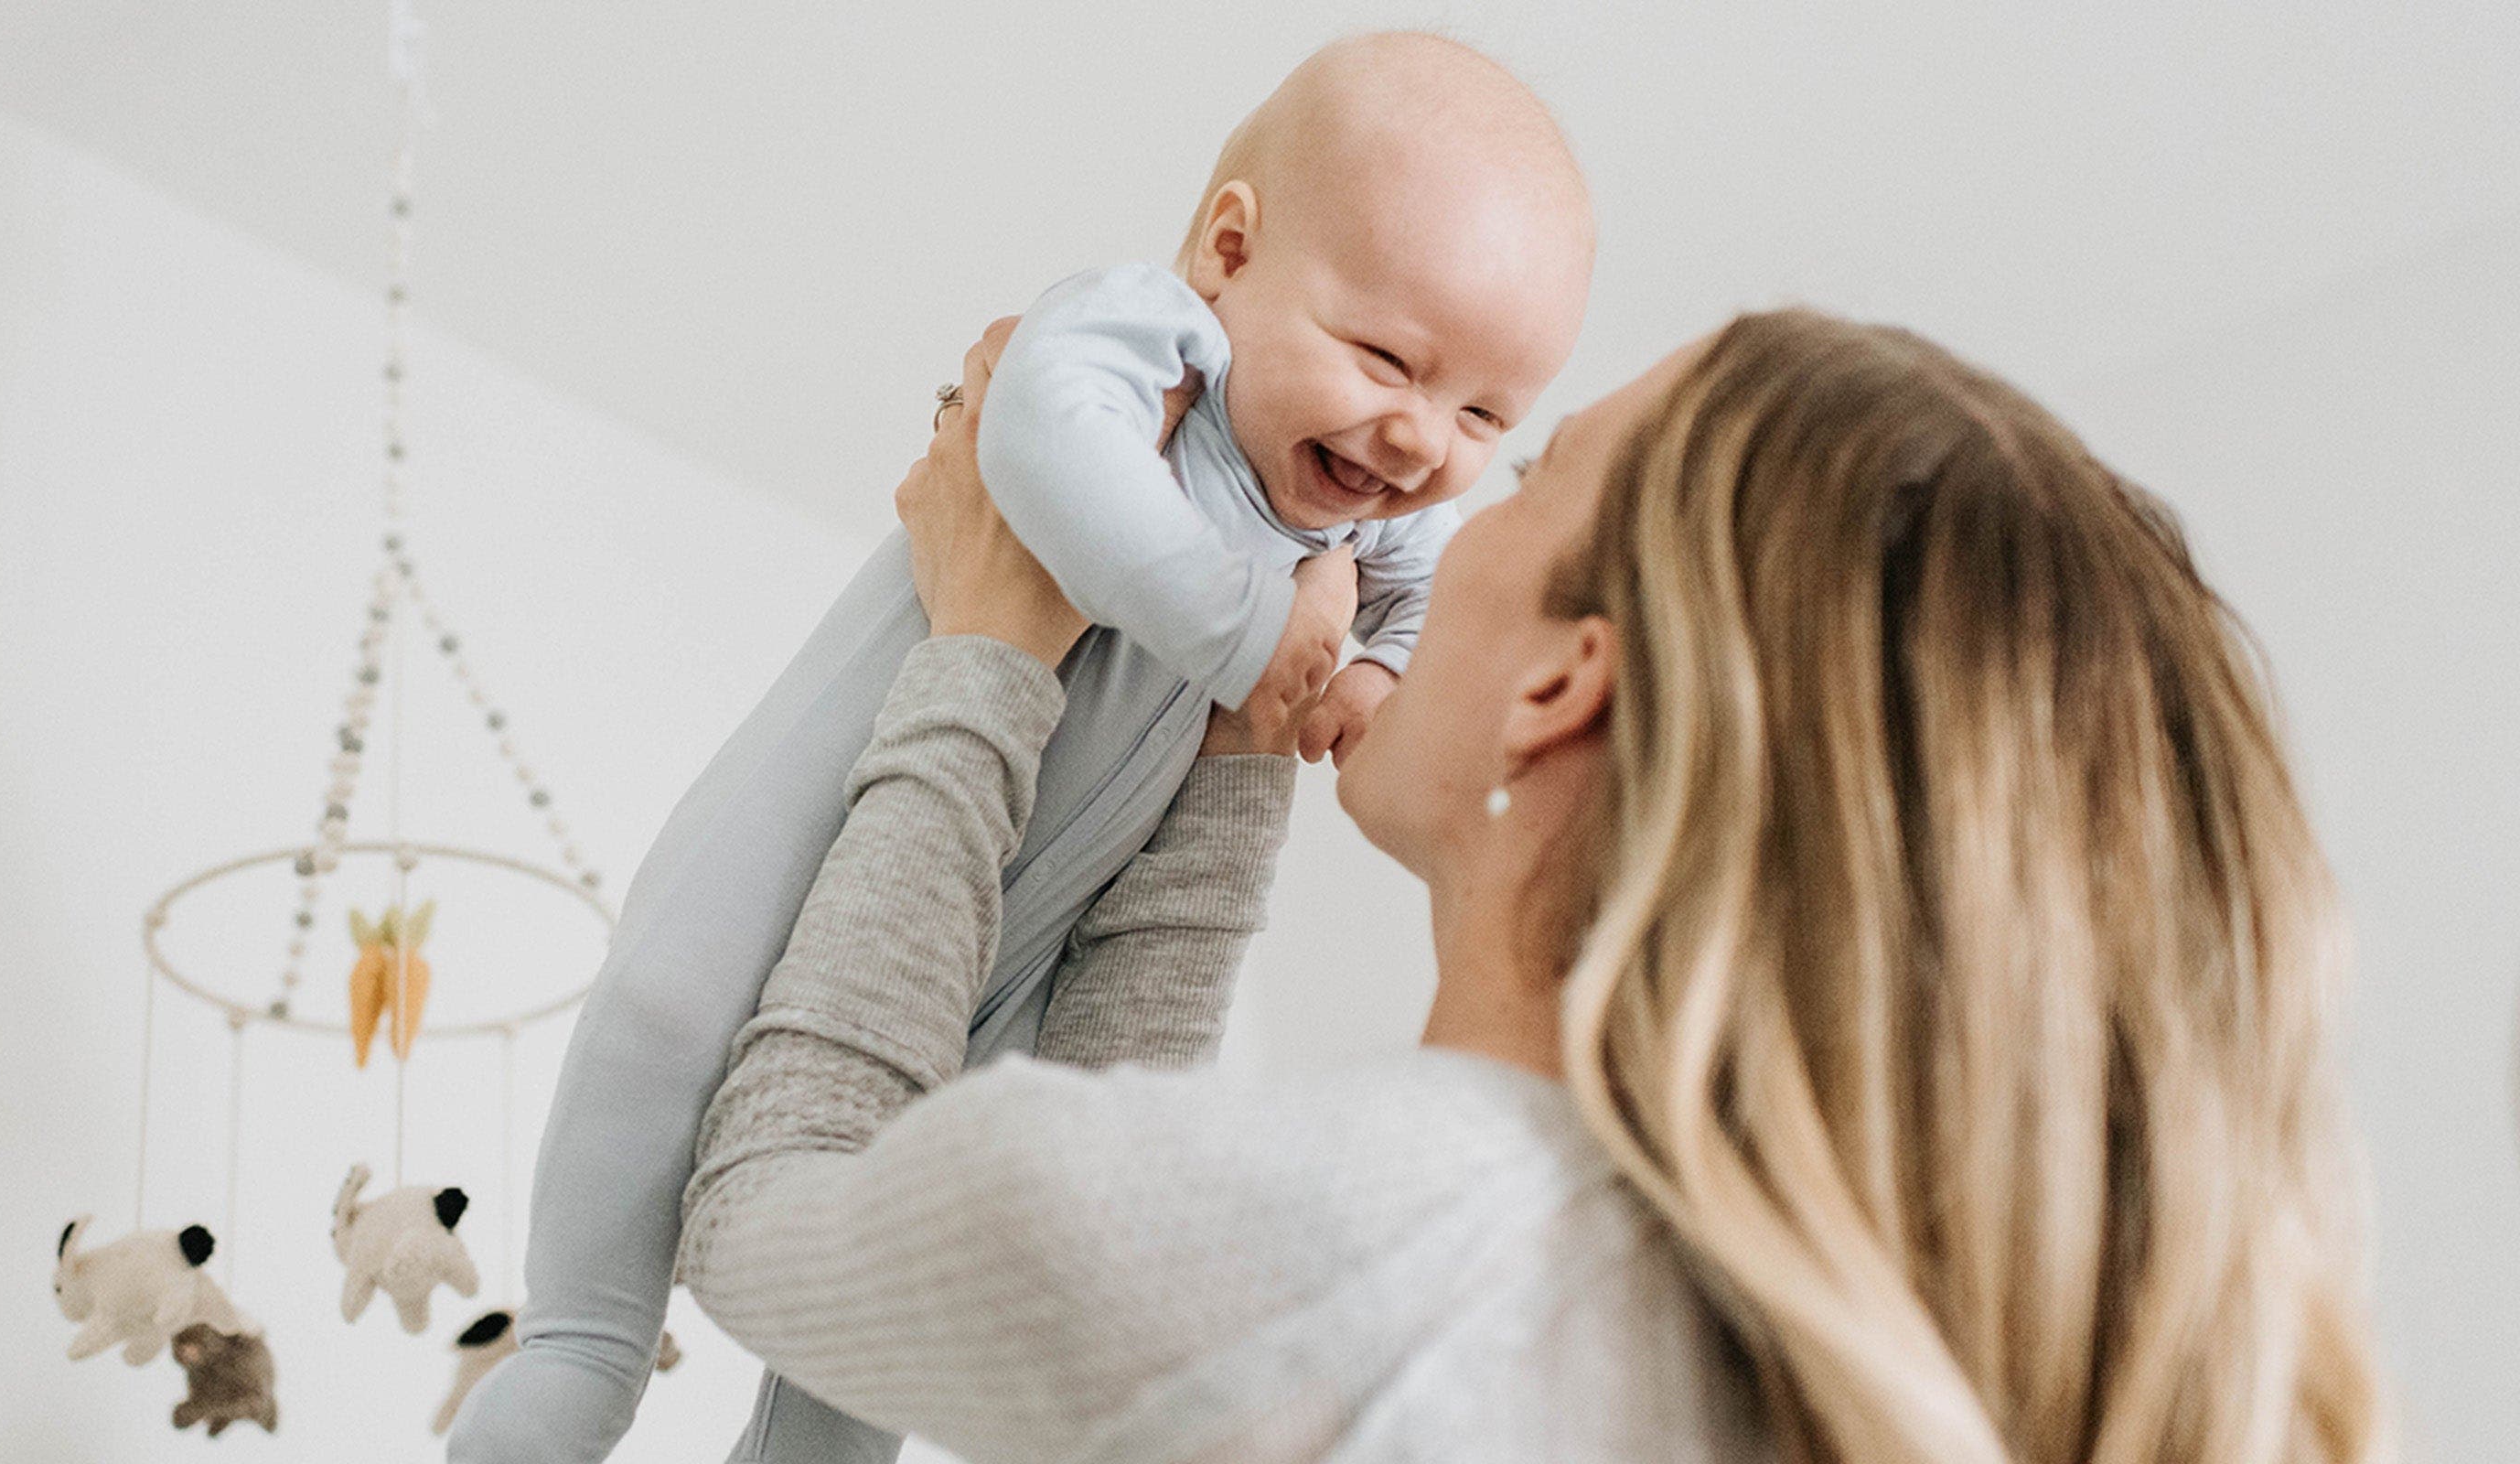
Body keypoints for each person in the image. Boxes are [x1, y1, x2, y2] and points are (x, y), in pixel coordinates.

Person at [670, 307, 2389, 1462]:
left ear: (1568, 680)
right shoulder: (1778, 1347)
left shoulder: (1349, 1239)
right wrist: (1234, 752)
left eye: (1533, 465)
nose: (1440, 490)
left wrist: (980, 658)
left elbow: (771, 1209)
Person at [453, 33, 1592, 1462]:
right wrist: (1254, 632)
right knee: (663, 1020)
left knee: (899, 1278)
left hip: (1015, 953)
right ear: (1229, 255)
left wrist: (1366, 673)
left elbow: (1406, 603)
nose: (1423, 438)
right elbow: (1044, 456)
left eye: (1488, 413)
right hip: (818, 827)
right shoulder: (1136, 339)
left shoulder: (1369, 525)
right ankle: (580, 1349)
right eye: (1387, 358)